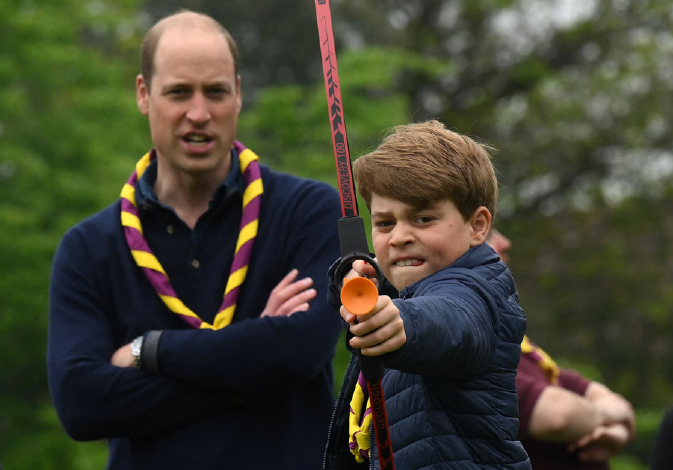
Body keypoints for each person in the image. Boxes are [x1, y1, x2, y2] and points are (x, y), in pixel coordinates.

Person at [47, 10, 343, 470]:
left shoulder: (310, 210)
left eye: (217, 92)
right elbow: (82, 405)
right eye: (179, 92)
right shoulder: (88, 248)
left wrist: (151, 351)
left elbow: (300, 351)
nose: (199, 113)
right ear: (144, 95)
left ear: (239, 94)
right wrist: (255, 353)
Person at [322, 120, 531, 469]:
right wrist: (347, 275)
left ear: (477, 226)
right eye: (385, 223)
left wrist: (402, 324)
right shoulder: (403, 286)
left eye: (423, 219)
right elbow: (377, 288)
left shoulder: (478, 291)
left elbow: (451, 321)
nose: (400, 236)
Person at [487, 229, 636, 469]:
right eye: (487, 235)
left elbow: (609, 400)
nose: (505, 243)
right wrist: (607, 418)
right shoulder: (470, 344)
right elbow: (559, 415)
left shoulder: (518, 341)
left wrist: (614, 430)